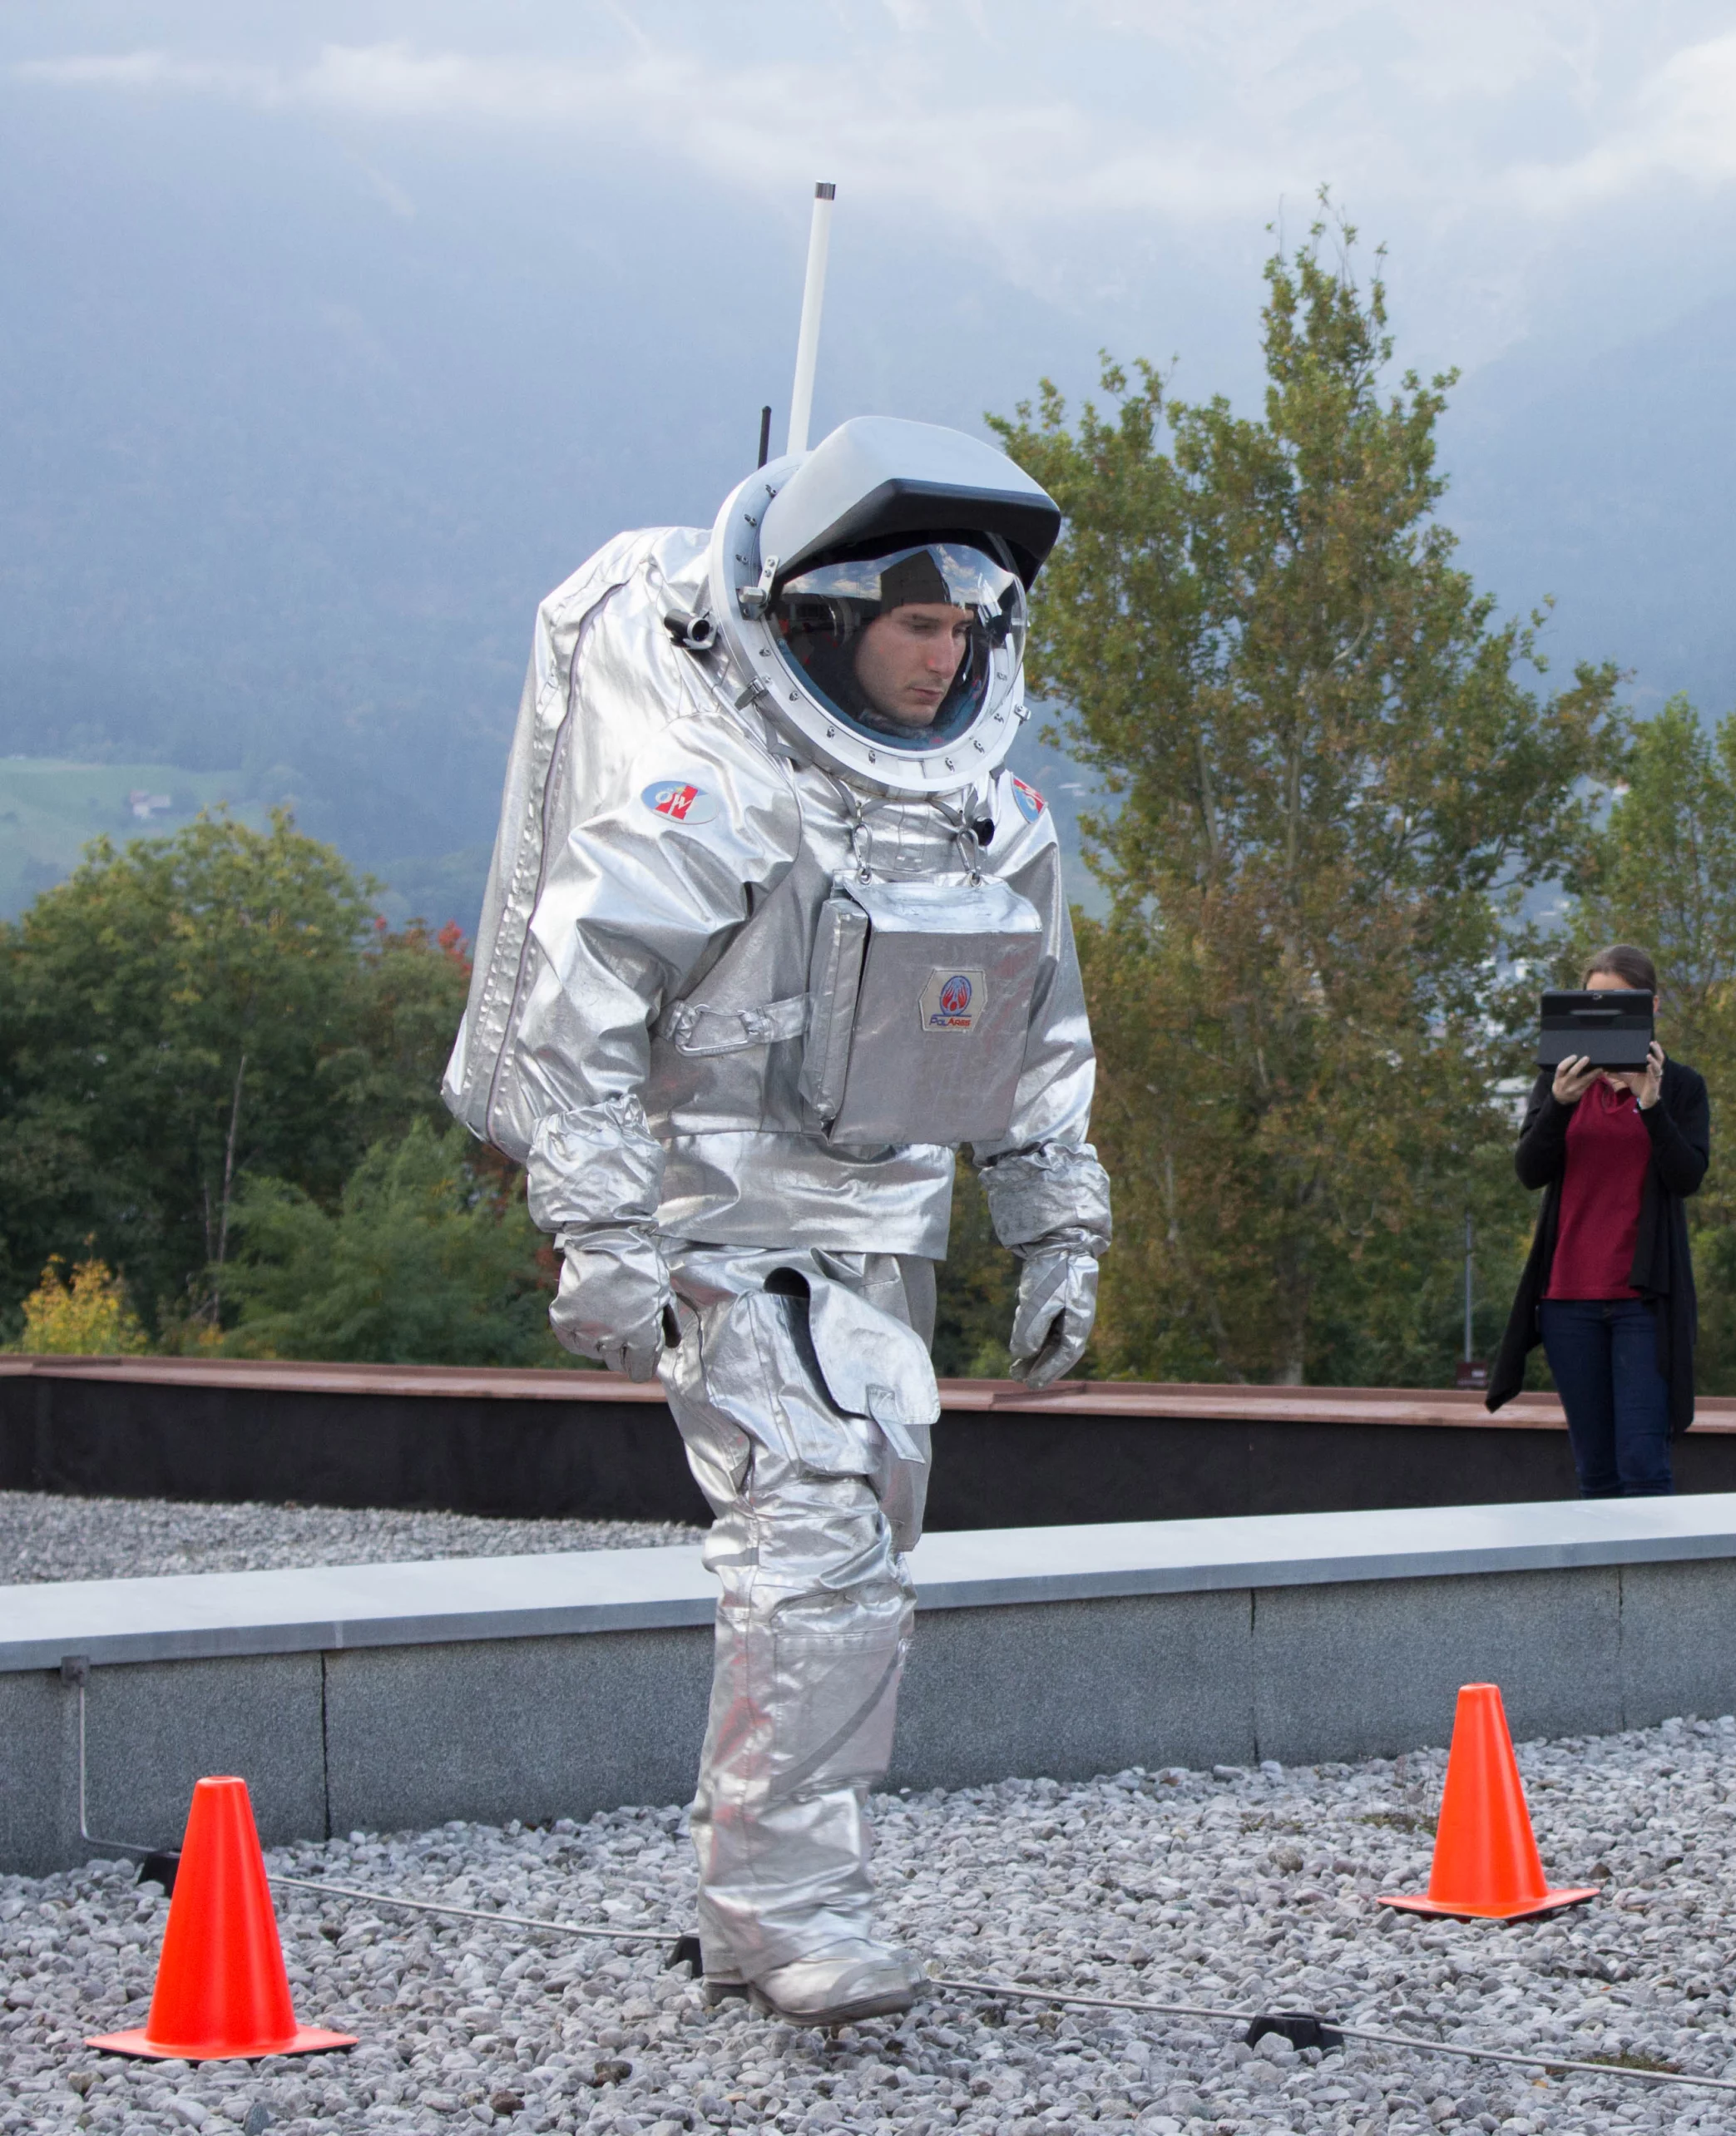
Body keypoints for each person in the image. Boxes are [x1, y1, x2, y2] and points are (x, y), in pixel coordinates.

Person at [443, 417, 1110, 2028]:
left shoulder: (988, 817)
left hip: (885, 1225)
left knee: (860, 1555)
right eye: (913, 622)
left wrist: (1057, 1228)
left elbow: (1037, 1039)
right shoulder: (715, 798)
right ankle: (794, 1902)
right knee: (815, 1545)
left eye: (963, 626)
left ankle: (760, 1902)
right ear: (821, 619)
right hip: (723, 1223)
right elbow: (576, 1015)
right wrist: (601, 1235)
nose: (941, 655)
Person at [1485, 945, 1709, 1495]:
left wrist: (1649, 1104)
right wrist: (1559, 1104)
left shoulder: (1681, 1086)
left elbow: (1686, 1178)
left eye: (1622, 1002)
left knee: (1643, 1463)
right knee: (1597, 1470)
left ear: (1651, 1006)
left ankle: (1653, 1580)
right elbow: (1529, 1171)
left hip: (1641, 1302)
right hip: (1567, 1302)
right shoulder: (1557, 1081)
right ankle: (1607, 1582)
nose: (1606, 1013)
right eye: (1594, 1000)